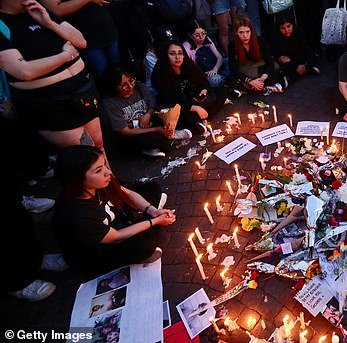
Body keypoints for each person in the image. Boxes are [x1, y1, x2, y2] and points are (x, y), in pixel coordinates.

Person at [0, 0, 105, 151]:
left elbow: (80, 41)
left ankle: (116, 183)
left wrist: (48, 22)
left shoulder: (37, 10)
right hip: (53, 106)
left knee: (99, 146)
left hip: (83, 93)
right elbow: (25, 71)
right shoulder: (3, 25)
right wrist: (65, 56)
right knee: (86, 156)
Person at [53, 145, 176, 274]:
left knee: (153, 188)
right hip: (99, 252)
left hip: (119, 217)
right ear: (78, 180)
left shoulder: (100, 182)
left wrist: (152, 211)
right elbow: (117, 236)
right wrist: (155, 221)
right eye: (98, 170)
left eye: (104, 165)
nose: (108, 172)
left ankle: (147, 219)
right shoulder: (76, 216)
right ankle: (143, 235)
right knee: (144, 245)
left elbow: (127, 193)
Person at [101, 65, 192, 158]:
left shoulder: (139, 86)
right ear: (113, 87)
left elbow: (152, 104)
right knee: (134, 141)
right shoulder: (109, 103)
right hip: (134, 133)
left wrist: (148, 114)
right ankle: (165, 139)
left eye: (131, 81)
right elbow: (125, 132)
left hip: (149, 122)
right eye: (124, 85)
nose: (130, 86)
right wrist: (156, 129)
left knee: (167, 110)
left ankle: (166, 136)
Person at [152, 41, 226, 132]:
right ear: (166, 56)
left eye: (180, 53)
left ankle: (202, 119)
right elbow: (170, 102)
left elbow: (203, 81)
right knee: (187, 117)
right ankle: (198, 121)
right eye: (172, 54)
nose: (177, 57)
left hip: (194, 98)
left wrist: (204, 89)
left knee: (222, 91)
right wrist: (194, 108)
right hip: (178, 107)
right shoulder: (160, 75)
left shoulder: (188, 64)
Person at [228, 16, 284, 93]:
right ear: (236, 32)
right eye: (241, 32)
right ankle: (260, 86)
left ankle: (252, 87)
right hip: (245, 69)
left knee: (276, 68)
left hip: (260, 66)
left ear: (251, 31)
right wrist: (250, 81)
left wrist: (264, 77)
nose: (245, 36)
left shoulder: (259, 41)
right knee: (230, 79)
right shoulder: (232, 45)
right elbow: (233, 69)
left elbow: (270, 62)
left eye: (247, 31)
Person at [269, 16, 320, 84]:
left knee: (311, 56)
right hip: (289, 63)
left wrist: (291, 59)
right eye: (282, 28)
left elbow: (306, 50)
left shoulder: (299, 32)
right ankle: (306, 70)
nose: (287, 30)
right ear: (278, 29)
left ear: (292, 25)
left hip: (299, 58)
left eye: (289, 26)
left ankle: (295, 75)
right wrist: (281, 58)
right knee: (280, 64)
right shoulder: (276, 38)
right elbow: (277, 55)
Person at [183, 20, 228, 88]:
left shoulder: (207, 39)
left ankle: (226, 80)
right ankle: (228, 80)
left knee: (230, 61)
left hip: (217, 67)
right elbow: (191, 69)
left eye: (203, 33)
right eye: (197, 35)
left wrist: (215, 69)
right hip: (206, 74)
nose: (201, 37)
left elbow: (219, 57)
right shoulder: (186, 47)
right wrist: (204, 75)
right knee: (214, 80)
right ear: (190, 35)